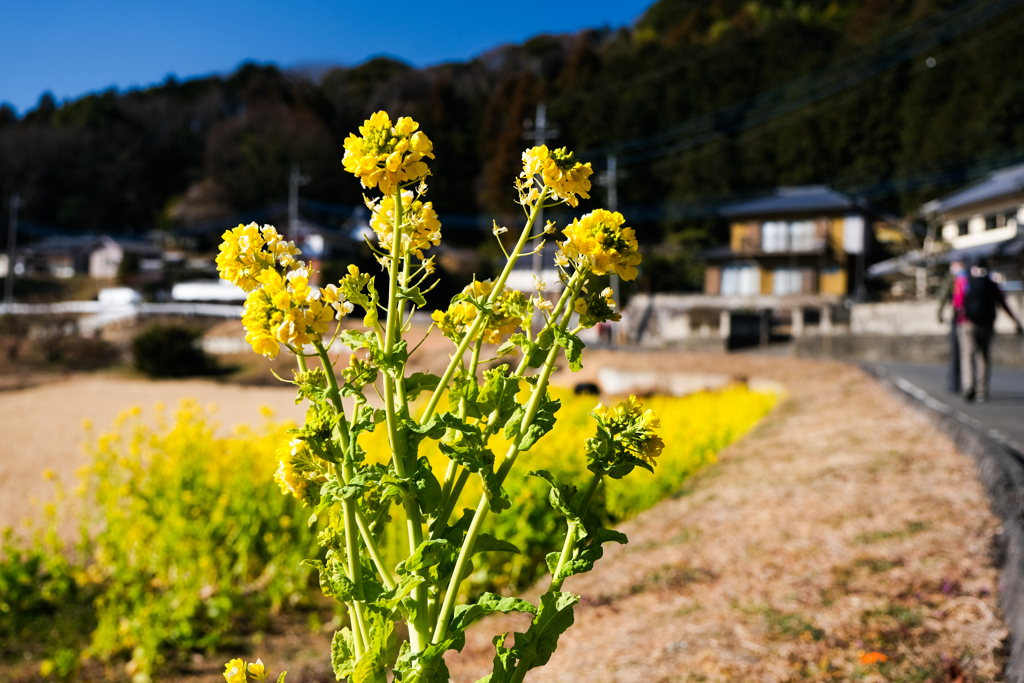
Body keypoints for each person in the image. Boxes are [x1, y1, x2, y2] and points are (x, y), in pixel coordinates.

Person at [953, 259, 1024, 402]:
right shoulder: (992, 283)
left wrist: (960, 316)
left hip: (967, 323)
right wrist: (1015, 321)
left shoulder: (964, 281)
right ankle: (982, 390)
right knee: (983, 355)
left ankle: (968, 386)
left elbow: (957, 302)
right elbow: (1003, 302)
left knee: (967, 354)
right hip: (987, 324)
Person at [937, 260, 964, 393]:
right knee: (971, 353)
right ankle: (972, 384)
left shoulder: (952, 278)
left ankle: (954, 384)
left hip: (958, 319)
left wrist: (939, 314)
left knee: (955, 352)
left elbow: (943, 296)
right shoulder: (969, 276)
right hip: (972, 319)